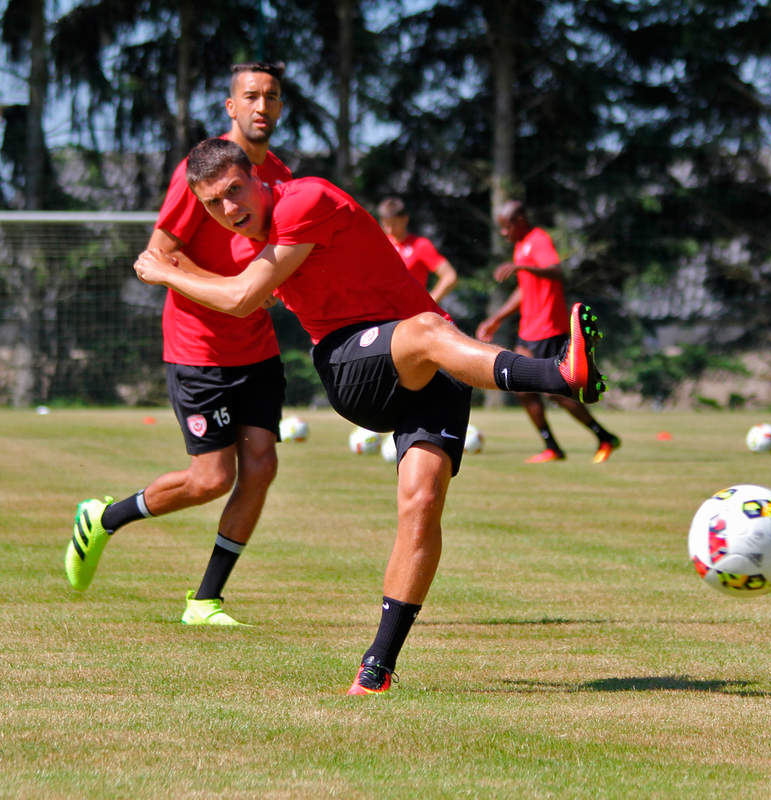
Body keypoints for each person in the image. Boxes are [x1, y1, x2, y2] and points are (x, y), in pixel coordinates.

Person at [131, 137, 607, 694]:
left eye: (235, 190)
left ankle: (376, 667)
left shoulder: (303, 201)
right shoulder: (249, 250)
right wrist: (178, 267)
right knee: (431, 331)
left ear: (257, 178)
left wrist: (166, 270)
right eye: (213, 204)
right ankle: (559, 374)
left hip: (432, 360)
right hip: (354, 368)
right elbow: (241, 294)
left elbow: (241, 296)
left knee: (422, 505)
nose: (230, 209)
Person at [65, 63, 292, 626]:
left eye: (271, 97)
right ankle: (104, 518)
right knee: (211, 480)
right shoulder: (204, 172)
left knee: (260, 468)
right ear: (230, 107)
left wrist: (274, 290)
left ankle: (205, 600)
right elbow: (159, 254)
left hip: (257, 348)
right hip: (200, 351)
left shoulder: (279, 175)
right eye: (250, 96)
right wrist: (233, 291)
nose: (262, 106)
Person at [475, 200, 620, 464]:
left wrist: (522, 267)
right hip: (528, 329)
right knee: (522, 388)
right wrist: (496, 318)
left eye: (506, 228)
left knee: (557, 391)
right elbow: (524, 289)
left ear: (519, 221)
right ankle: (552, 447)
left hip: (549, 328)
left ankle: (604, 437)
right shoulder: (521, 246)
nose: (504, 234)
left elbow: (556, 271)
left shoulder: (538, 239)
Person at [376, 197, 458, 304]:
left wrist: (429, 302)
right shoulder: (380, 244)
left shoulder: (420, 246)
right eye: (386, 224)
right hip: (383, 311)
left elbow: (450, 276)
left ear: (405, 219)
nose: (390, 230)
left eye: (394, 224)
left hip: (410, 313)